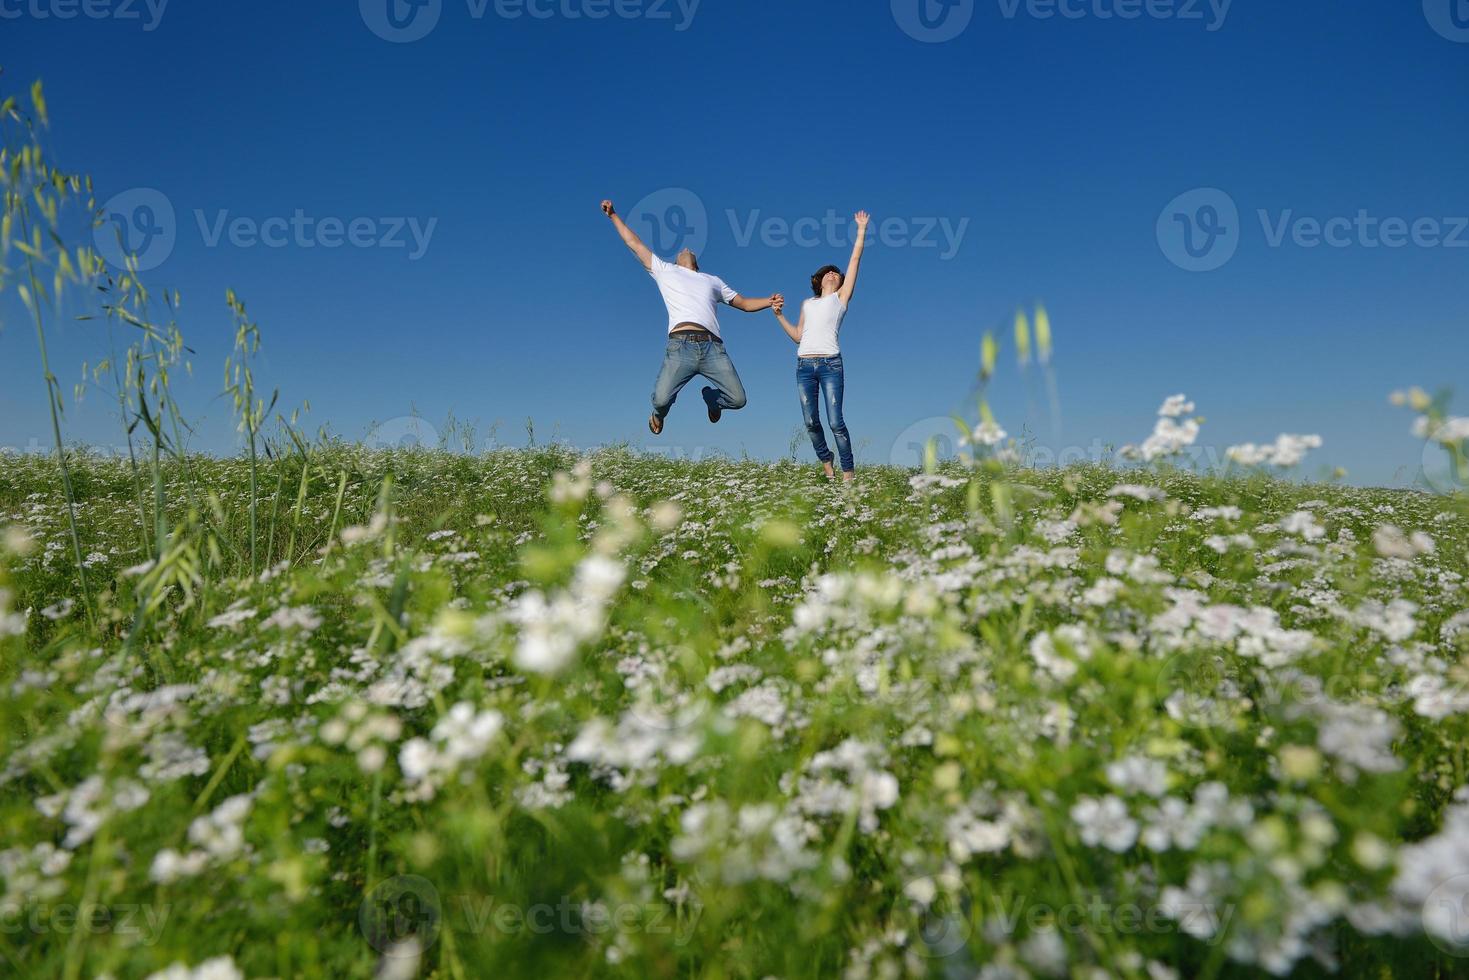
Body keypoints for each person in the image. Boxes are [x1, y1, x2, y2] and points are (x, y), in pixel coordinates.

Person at [601, 199, 782, 435]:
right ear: (677, 259)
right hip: (680, 346)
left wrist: (768, 302)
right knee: (660, 400)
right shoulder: (665, 270)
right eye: (681, 250)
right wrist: (613, 215)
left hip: (712, 349)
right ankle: (658, 415)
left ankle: (712, 400)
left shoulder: (712, 281)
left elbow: (744, 303)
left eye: (690, 250)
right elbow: (634, 243)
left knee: (738, 399)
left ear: (697, 262)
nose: (685, 248)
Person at [772, 210, 869, 482]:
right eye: (827, 272)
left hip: (830, 365)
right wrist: (779, 316)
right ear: (819, 279)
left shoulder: (841, 298)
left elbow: (855, 259)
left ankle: (848, 473)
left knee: (836, 422)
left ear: (840, 281)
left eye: (835, 273)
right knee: (811, 422)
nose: (831, 274)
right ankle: (826, 459)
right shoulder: (807, 303)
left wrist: (861, 229)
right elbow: (797, 335)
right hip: (804, 366)